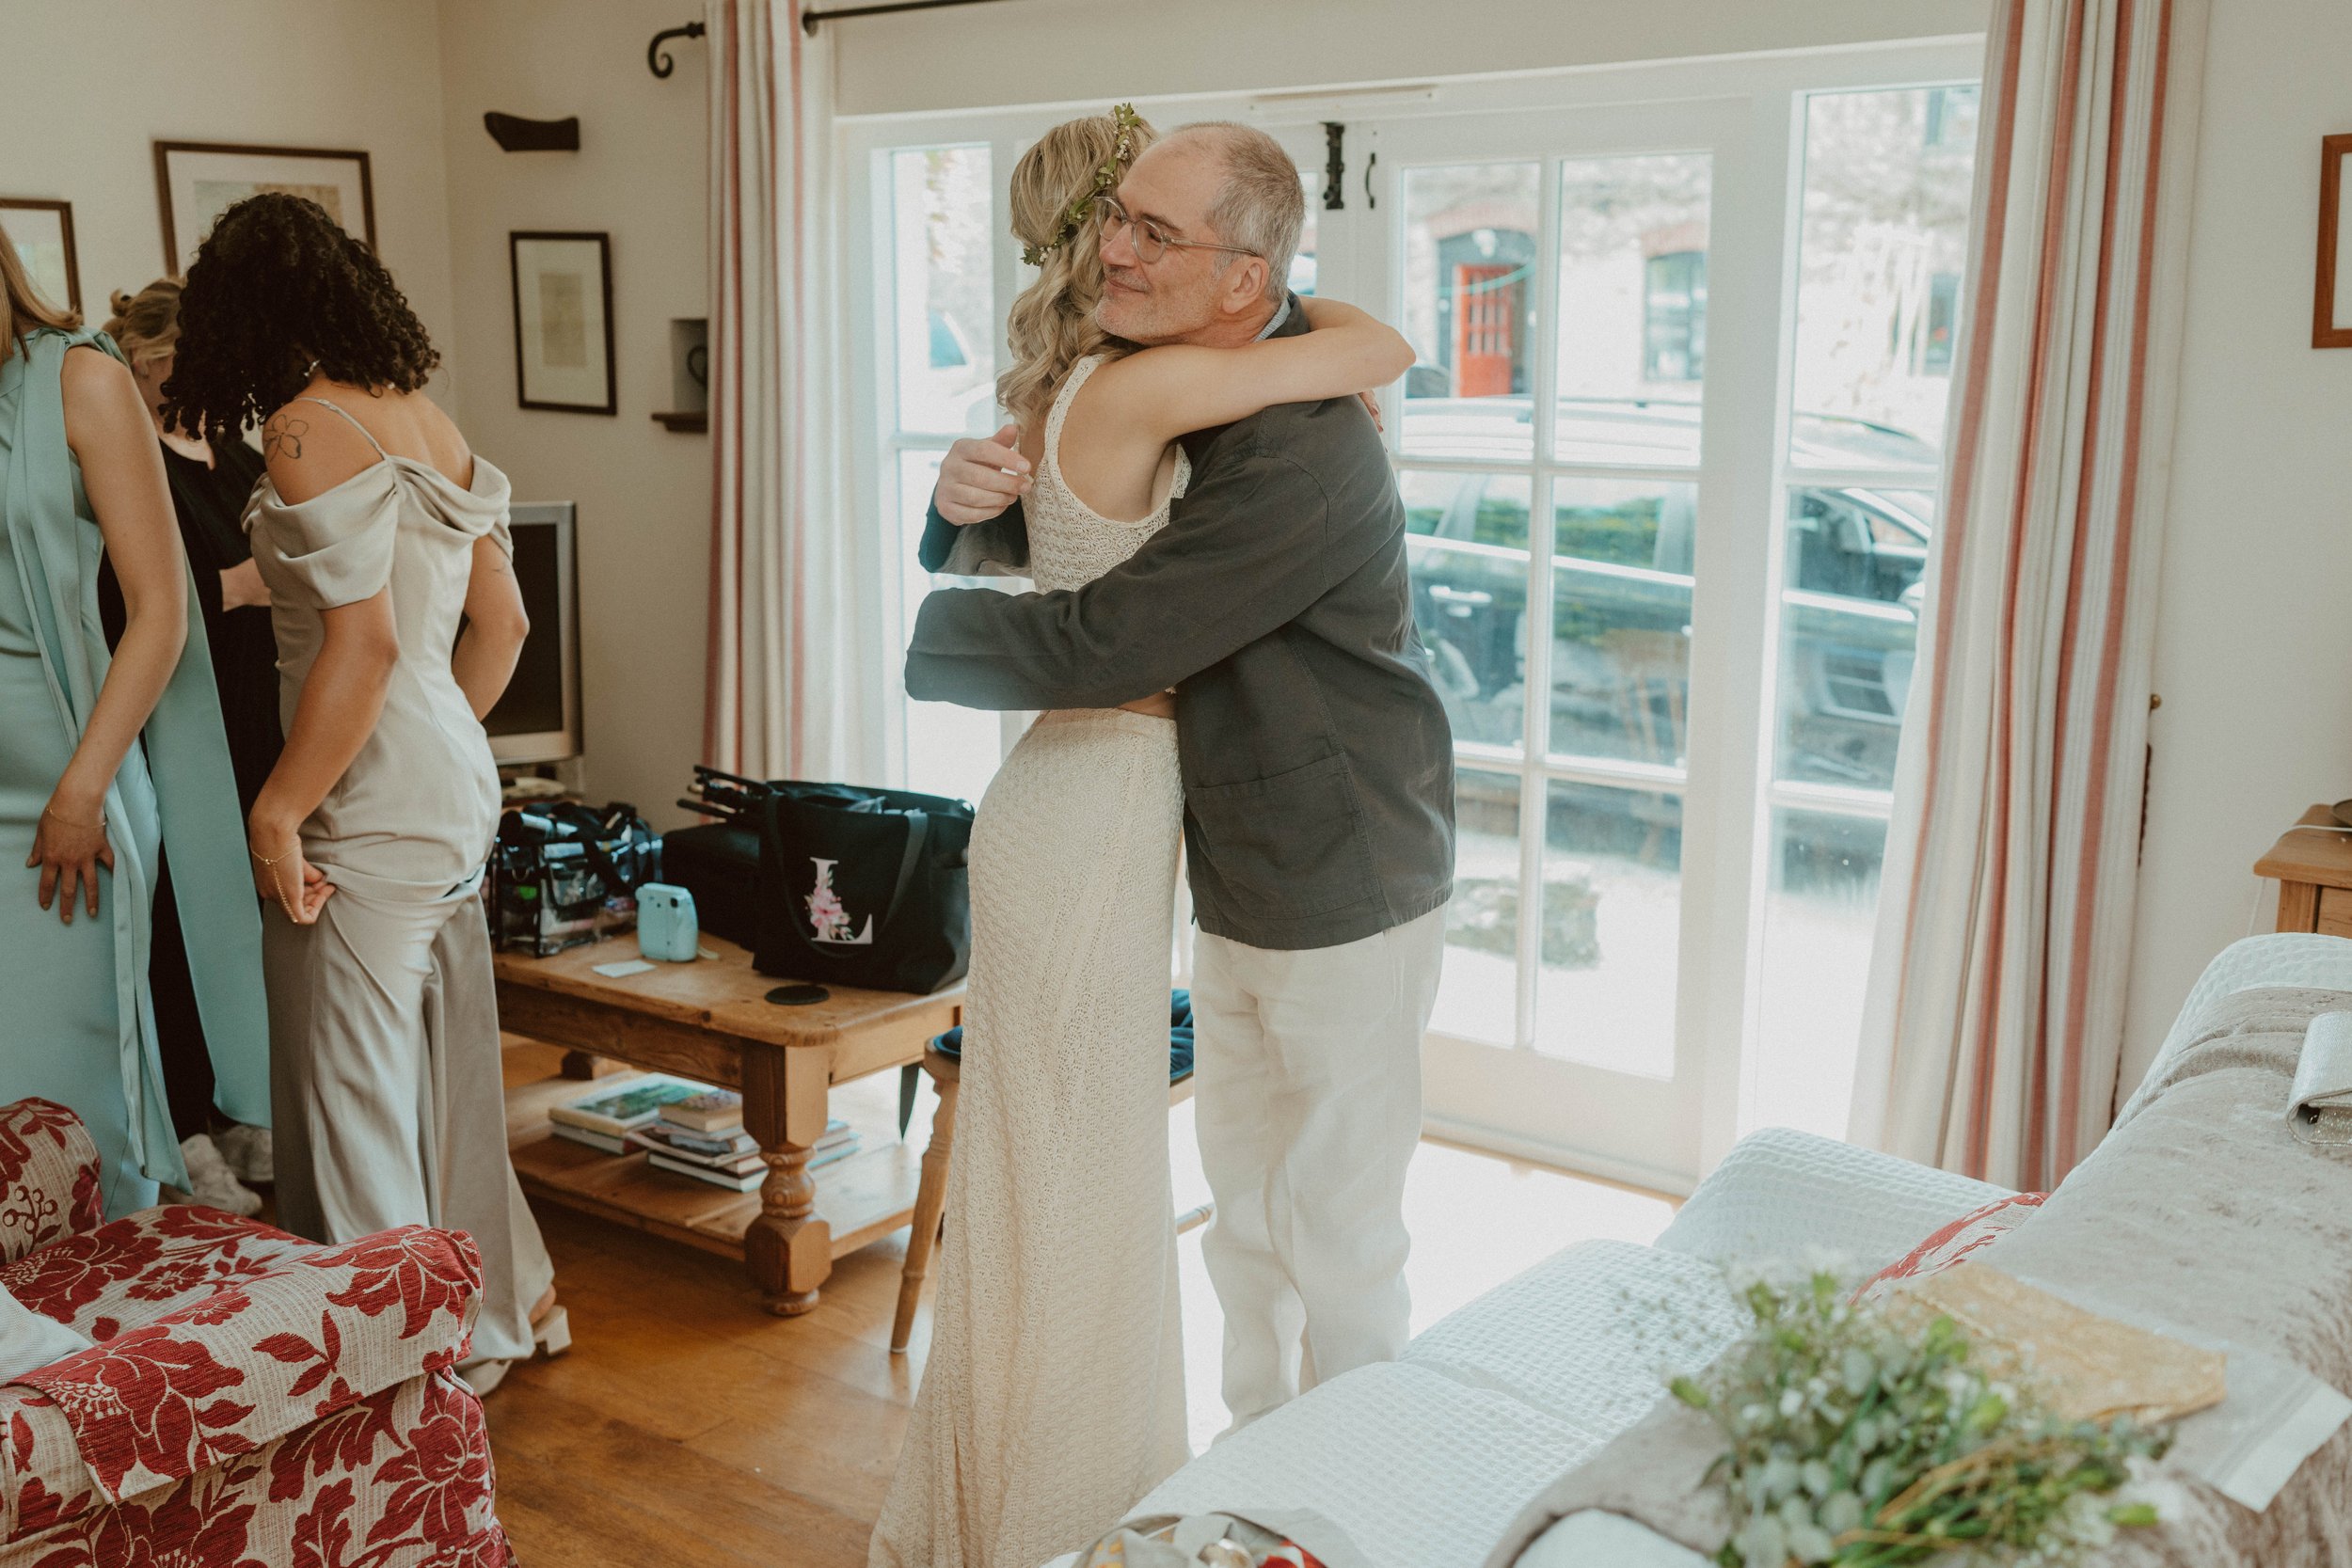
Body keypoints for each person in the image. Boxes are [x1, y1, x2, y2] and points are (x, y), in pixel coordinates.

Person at [868, 110, 1419, 1568]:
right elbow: (1081, 521)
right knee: (1237, 1217)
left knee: (1335, 1232)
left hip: (1336, 865)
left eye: (1156, 231)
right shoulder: (1181, 381)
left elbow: (1122, 628)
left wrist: (929, 623)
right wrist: (951, 518)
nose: (1115, 246)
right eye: (1117, 218)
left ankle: (1348, 1513)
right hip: (1198, 849)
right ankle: (1246, 1501)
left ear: (1245, 279)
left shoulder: (1298, 446)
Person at [163, 193, 562, 1391]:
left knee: (351, 1099)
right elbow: (505, 622)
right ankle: (483, 1318)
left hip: (364, 792)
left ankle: (394, 1373)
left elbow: (362, 647)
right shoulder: (422, 418)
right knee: (444, 1077)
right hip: (447, 779)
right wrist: (436, 749)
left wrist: (279, 807)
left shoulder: (300, 425)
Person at [0, 223, 269, 1218]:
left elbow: (162, 611)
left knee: (74, 1099)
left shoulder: (80, 376)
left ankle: (114, 1341)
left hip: (66, 795)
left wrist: (85, 788)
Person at [100, 278, 280, 1216]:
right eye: (150, 367)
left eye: (173, 365)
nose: (164, 383)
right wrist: (241, 590)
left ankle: (252, 1102)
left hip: (260, 716)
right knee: (176, 923)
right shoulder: (131, 468)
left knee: (246, 928)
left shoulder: (239, 455)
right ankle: (192, 1132)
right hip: (178, 721)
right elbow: (130, 604)